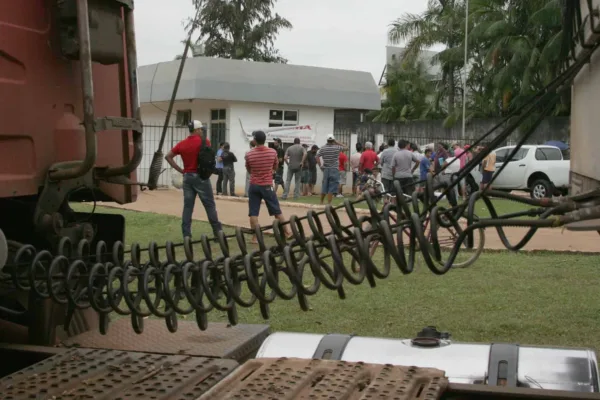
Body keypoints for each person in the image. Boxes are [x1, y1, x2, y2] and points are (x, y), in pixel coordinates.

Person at [164, 120, 222, 238]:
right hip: (201, 177)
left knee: (188, 207)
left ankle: (186, 235)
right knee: (209, 205)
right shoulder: (205, 142)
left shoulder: (182, 144)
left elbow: (168, 156)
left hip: (187, 178)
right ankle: (218, 233)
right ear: (196, 130)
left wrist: (181, 170)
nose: (201, 131)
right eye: (200, 129)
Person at [245, 131, 291, 243]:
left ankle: (255, 238)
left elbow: (249, 169)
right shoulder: (272, 152)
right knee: (276, 210)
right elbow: (276, 165)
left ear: (255, 140)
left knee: (253, 212)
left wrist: (255, 174)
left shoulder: (249, 154)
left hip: (254, 185)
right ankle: (287, 232)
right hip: (267, 185)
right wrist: (271, 171)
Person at [316, 134, 347, 204]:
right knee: (332, 186)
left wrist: (320, 165)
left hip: (326, 169)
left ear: (327, 140)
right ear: (333, 140)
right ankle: (329, 203)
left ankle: (321, 202)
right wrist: (337, 142)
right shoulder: (337, 147)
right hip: (334, 169)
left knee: (324, 185)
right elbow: (346, 147)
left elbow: (317, 156)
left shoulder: (323, 148)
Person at [432, 142, 458, 207]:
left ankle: (450, 201)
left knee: (447, 186)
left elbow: (443, 164)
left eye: (440, 145)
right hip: (440, 171)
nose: (438, 146)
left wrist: (442, 169)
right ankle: (446, 198)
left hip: (445, 172)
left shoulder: (445, 155)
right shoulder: (438, 152)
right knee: (446, 186)